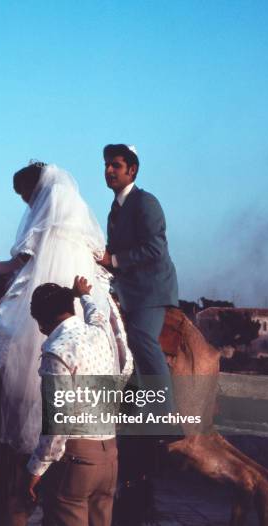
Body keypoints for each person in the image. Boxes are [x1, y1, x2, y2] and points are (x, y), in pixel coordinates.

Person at [0, 162, 112, 456]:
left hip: (49, 277)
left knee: (8, 327)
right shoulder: (74, 206)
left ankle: (33, 435)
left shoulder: (49, 203)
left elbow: (26, 257)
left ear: (35, 188)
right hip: (80, 277)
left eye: (23, 194)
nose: (25, 201)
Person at [26, 276, 125, 526]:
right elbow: (101, 317)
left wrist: (36, 469)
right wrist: (85, 296)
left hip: (77, 462)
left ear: (44, 317)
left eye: (37, 320)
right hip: (109, 454)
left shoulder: (56, 351)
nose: (39, 329)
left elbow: (59, 422)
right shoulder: (99, 335)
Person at [97, 144, 178, 413]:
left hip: (151, 289)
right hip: (128, 291)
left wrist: (114, 260)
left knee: (142, 338)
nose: (109, 170)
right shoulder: (114, 210)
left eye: (115, 165)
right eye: (107, 165)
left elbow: (156, 248)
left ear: (132, 170)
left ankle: (164, 416)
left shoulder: (145, 202)